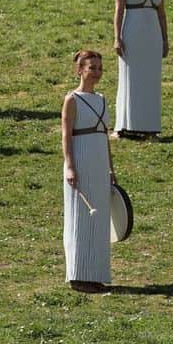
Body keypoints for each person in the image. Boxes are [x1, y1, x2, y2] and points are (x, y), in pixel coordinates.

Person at [62, 50, 116, 293]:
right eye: (92, 67)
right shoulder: (72, 99)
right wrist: (70, 166)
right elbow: (66, 135)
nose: (97, 72)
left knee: (99, 220)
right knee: (80, 218)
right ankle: (78, 275)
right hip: (80, 162)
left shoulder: (102, 99)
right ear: (79, 70)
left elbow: (104, 136)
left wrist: (111, 169)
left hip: (99, 162)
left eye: (99, 68)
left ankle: (94, 274)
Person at [113, 0, 168, 138]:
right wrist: (117, 38)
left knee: (151, 81)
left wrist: (165, 40)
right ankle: (124, 126)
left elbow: (162, 14)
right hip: (132, 35)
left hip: (152, 36)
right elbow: (119, 11)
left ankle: (150, 127)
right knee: (130, 78)